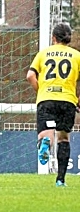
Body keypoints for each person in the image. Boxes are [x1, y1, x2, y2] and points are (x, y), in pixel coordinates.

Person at [26, 22, 80, 187]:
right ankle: (60, 180)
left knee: (46, 133)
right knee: (63, 138)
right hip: (68, 100)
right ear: (69, 38)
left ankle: (45, 142)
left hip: (47, 98)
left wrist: (40, 91)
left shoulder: (44, 53)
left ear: (53, 37)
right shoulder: (77, 55)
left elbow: (30, 76)